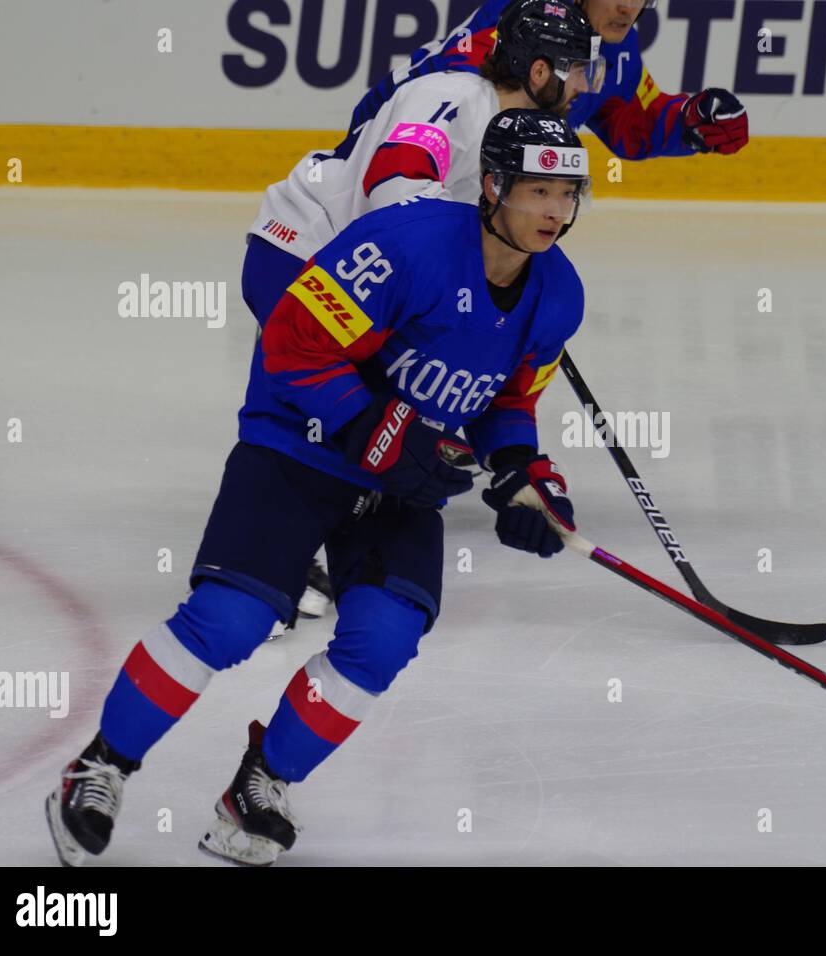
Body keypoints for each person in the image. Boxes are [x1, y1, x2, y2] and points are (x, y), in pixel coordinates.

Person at [46, 109, 592, 867]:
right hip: (300, 443)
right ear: (493, 185)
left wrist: (526, 477)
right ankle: (101, 765)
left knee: (384, 638)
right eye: (538, 190)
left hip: (403, 479)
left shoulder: (559, 296)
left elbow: (509, 403)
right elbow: (294, 338)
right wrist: (368, 422)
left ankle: (259, 787)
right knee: (232, 620)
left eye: (568, 194)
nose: (555, 212)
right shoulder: (407, 244)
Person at [246, 0, 600, 623]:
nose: (584, 87)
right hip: (304, 246)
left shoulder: (529, 140)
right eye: (577, 71)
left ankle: (343, 547)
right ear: (540, 71)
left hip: (379, 275)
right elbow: (396, 195)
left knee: (384, 416)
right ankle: (263, 564)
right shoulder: (450, 96)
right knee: (313, 399)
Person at [410, 0, 750, 159]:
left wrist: (689, 120)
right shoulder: (524, 19)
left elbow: (625, 115)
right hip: (395, 163)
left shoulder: (616, 45)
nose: (629, 8)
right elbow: (439, 97)